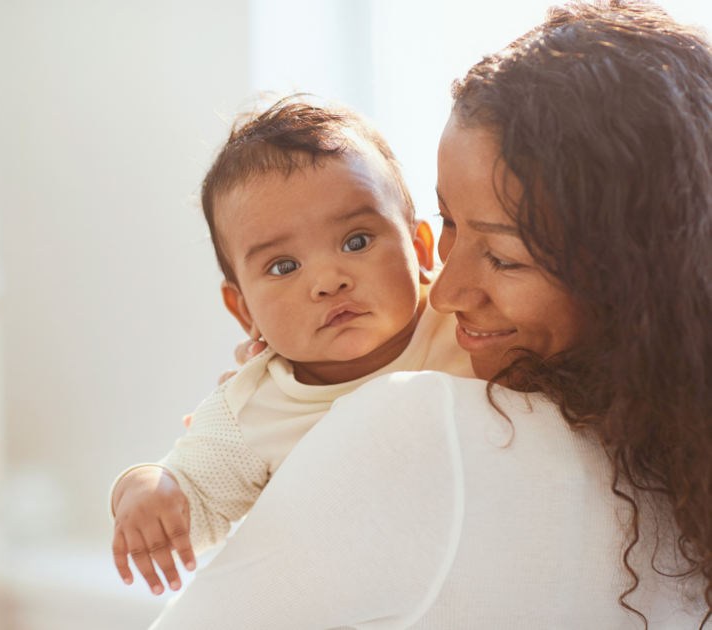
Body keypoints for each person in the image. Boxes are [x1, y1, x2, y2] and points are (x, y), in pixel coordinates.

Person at [147, 2, 712, 628]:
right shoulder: (676, 455)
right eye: (449, 222)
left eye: (502, 256)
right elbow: (194, 492)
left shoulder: (414, 420)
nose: (442, 292)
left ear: (633, 277)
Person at [109, 99, 474, 595]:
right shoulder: (253, 405)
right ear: (244, 312)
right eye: (283, 266)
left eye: (357, 241)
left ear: (421, 249)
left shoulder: (465, 321)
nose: (327, 281)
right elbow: (195, 499)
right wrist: (145, 487)